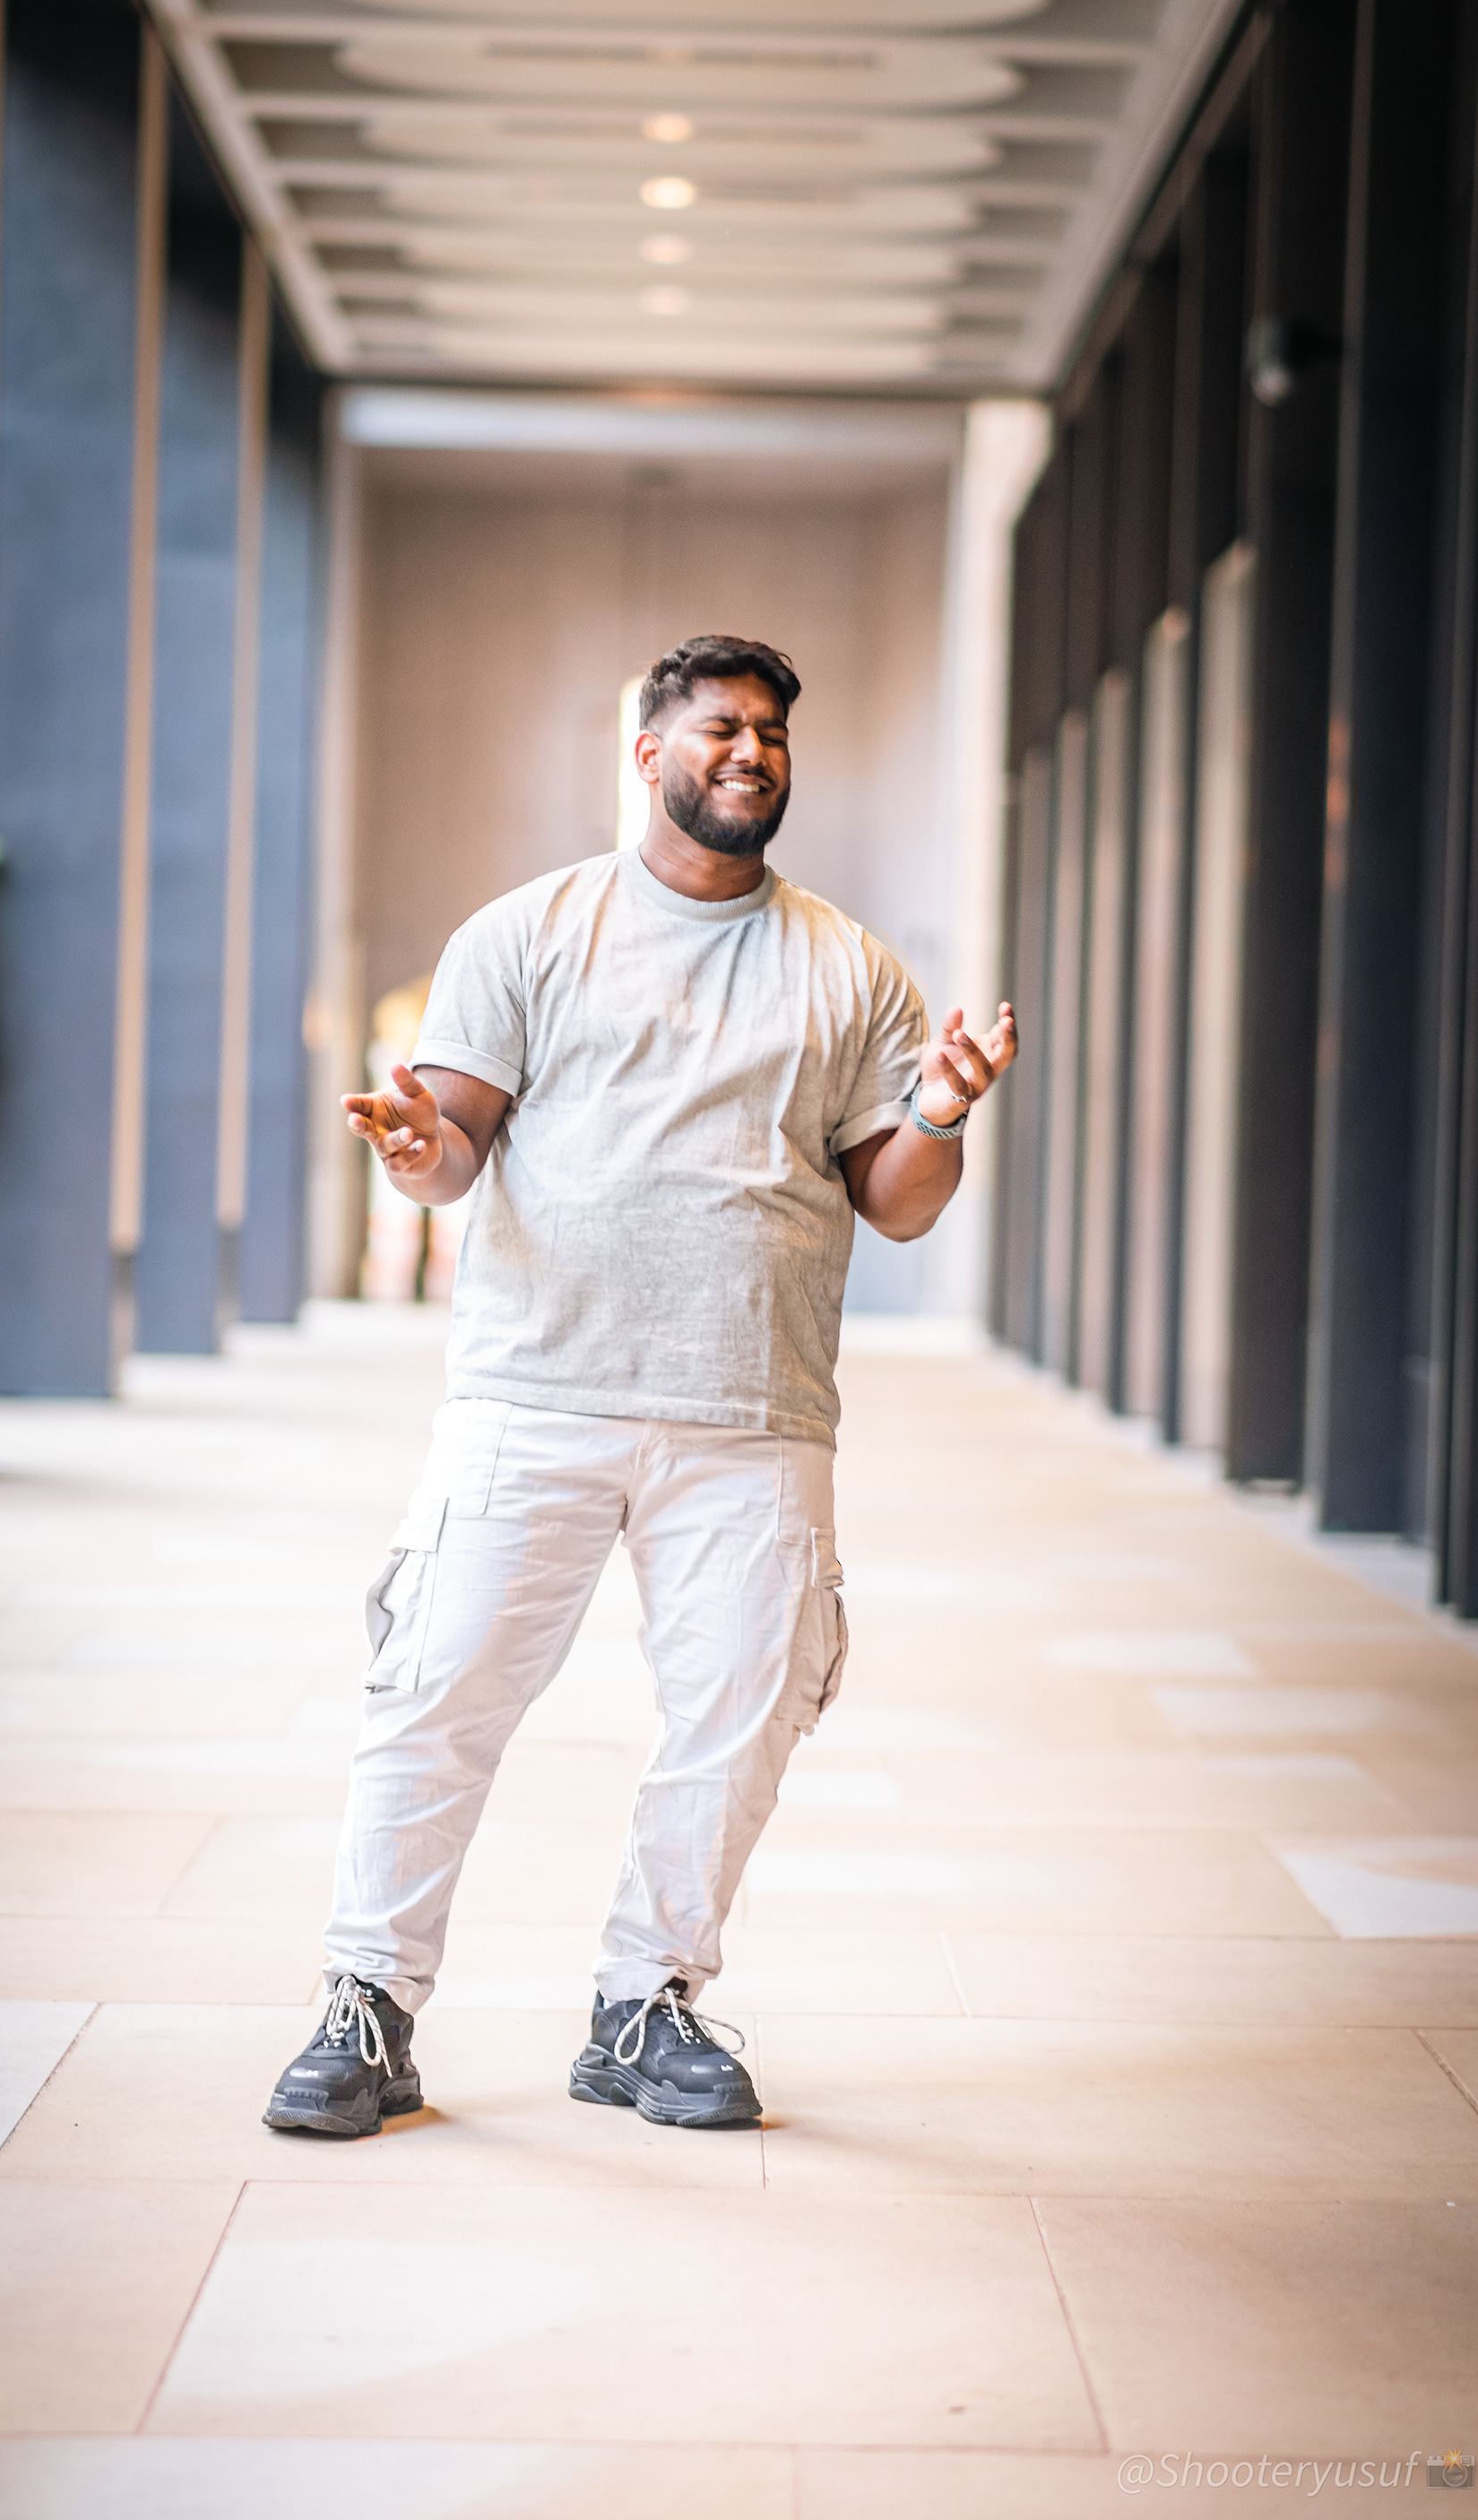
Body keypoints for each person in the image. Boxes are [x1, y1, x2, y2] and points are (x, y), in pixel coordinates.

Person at [264, 634, 1016, 2139]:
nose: (751, 752)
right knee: (436, 1694)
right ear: (649, 751)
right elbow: (453, 1146)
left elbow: (898, 1202)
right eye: (720, 727)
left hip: (756, 1413)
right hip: (533, 1396)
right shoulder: (530, 932)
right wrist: (414, 1149)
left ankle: (645, 2003)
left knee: (740, 1718)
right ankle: (368, 2004)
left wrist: (938, 1110)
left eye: (772, 734)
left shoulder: (850, 966)